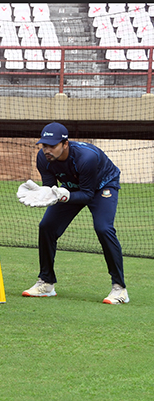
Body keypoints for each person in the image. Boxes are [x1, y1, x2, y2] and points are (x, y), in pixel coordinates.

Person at [22, 122, 128, 304]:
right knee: (46, 226)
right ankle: (46, 283)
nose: (47, 150)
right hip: (71, 189)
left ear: (65, 144)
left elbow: (87, 194)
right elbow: (50, 187)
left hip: (102, 186)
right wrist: (41, 195)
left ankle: (120, 289)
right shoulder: (43, 158)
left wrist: (65, 196)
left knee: (103, 228)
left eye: (52, 146)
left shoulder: (86, 157)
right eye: (44, 145)